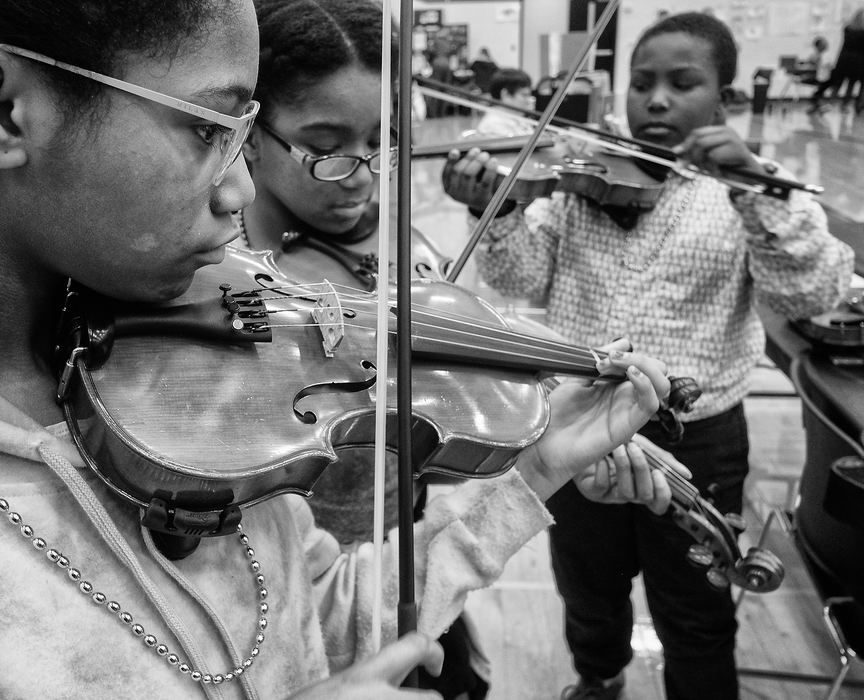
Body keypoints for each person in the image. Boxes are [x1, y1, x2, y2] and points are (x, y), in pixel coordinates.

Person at [0, 1, 679, 698]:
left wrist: (532, 474)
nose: (242, 190)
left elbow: (306, 624)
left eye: (243, 133)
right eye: (204, 128)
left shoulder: (201, 355)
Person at [240, 1, 684, 697]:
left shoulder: (397, 247)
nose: (361, 177)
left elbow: (436, 430)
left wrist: (536, 445)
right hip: (293, 612)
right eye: (325, 148)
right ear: (250, 130)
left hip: (409, 569)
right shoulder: (215, 286)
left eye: (381, 142)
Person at [442, 11, 855, 700]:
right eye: (642, 84)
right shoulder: (583, 176)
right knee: (586, 582)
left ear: (722, 94)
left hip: (698, 436)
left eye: (682, 83)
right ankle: (598, 677)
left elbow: (812, 291)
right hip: (578, 426)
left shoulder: (753, 191)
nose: (656, 100)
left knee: (695, 603)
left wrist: (755, 190)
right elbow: (519, 279)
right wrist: (502, 210)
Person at [809, 9, 864, 113]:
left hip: (845, 61)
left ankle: (830, 103)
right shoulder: (859, 33)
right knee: (849, 85)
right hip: (856, 62)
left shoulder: (848, 29)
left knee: (839, 84)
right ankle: (843, 105)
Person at [474, 67, 534, 137]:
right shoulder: (494, 123)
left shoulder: (519, 118)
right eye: (524, 95)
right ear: (506, 94)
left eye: (529, 95)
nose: (529, 100)